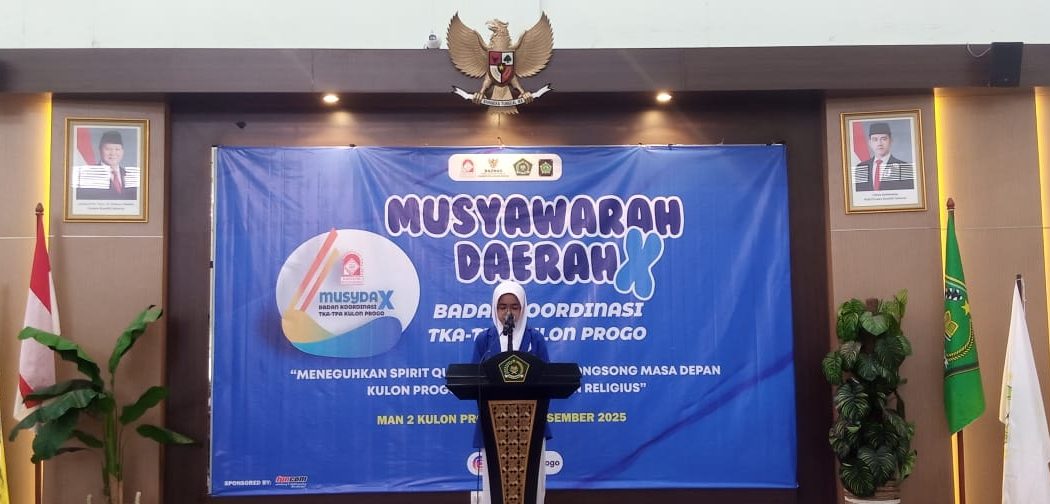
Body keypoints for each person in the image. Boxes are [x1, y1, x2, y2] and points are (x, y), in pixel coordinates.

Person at [471, 280, 550, 504]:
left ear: (523, 308)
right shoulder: (485, 340)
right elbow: (474, 379)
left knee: (532, 487)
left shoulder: (535, 339)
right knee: (495, 486)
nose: (508, 312)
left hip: (531, 425)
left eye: (514, 307)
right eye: (502, 306)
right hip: (493, 425)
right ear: (494, 308)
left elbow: (548, 379)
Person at [74, 130, 139, 200]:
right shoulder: (89, 175)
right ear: (100, 150)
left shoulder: (130, 176)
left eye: (117, 149)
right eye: (108, 149)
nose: (113, 153)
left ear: (122, 151)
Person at [854, 122, 915, 192]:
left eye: (883, 139)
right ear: (870, 143)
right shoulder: (861, 168)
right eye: (875, 139)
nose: (879, 143)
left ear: (891, 141)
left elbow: (909, 194)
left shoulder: (904, 168)